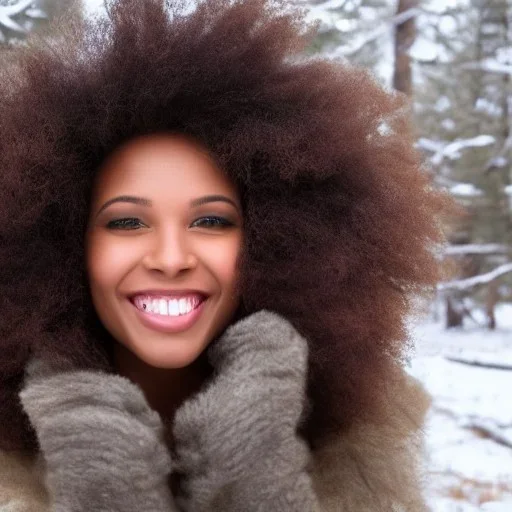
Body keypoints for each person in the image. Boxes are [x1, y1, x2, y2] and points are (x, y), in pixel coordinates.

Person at [0, 0, 450, 510]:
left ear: (273, 241)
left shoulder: (366, 453)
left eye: (211, 221)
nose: (171, 258)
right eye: (127, 222)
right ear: (63, 243)